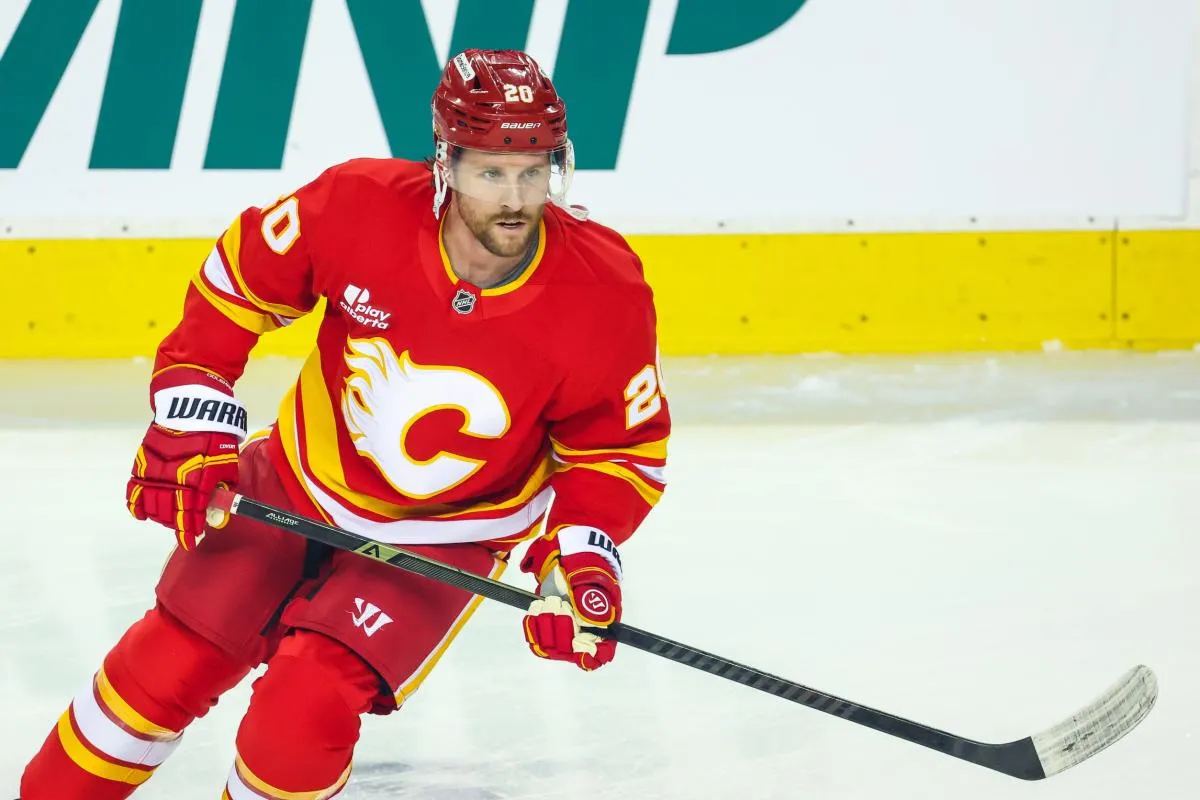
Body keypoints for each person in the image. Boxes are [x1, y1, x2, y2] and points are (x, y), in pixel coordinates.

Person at [17, 48, 670, 800]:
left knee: (302, 716)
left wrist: (581, 556)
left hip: (444, 538)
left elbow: (617, 449)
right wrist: (193, 399)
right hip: (294, 481)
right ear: (445, 164)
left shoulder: (603, 289)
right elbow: (239, 285)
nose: (517, 199)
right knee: (160, 668)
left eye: (535, 172)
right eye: (491, 173)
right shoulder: (358, 204)